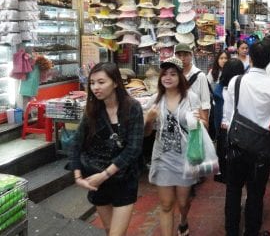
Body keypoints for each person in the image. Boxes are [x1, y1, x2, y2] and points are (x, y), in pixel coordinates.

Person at [70, 62, 144, 236]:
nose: (96, 87)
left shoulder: (132, 107)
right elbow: (76, 143)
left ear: (116, 82)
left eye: (101, 82)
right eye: (92, 83)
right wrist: (78, 176)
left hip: (123, 178)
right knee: (110, 230)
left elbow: (133, 149)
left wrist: (104, 176)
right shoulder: (93, 110)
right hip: (97, 179)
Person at [224, 41, 270, 236]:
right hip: (261, 149)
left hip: (235, 145)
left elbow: (228, 117)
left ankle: (232, 231)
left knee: (233, 191)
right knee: (256, 193)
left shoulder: (236, 81)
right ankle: (252, 231)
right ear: (269, 60)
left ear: (249, 57)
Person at [144, 57, 202, 236]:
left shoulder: (191, 99)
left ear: (180, 77)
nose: (168, 77)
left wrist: (200, 123)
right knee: (166, 204)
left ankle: (183, 220)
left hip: (185, 158)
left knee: (183, 203)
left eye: (173, 74)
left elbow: (202, 128)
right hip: (162, 158)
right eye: (165, 74)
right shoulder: (155, 99)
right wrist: (149, 120)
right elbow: (146, 133)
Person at [212, 58, 245, 183]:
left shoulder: (219, 89)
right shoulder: (243, 87)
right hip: (238, 127)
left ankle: (224, 175)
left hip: (223, 128)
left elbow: (217, 112)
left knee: (223, 154)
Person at [174, 43, 211, 128]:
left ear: (191, 55)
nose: (182, 58)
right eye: (179, 55)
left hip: (195, 117)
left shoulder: (200, 75)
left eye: (185, 55)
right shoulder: (174, 74)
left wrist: (205, 123)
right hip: (177, 118)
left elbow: (205, 102)